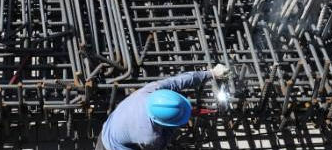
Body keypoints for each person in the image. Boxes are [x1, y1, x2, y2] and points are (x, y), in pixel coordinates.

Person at [97, 64, 231, 150]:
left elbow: (180, 81)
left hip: (111, 125)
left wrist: (211, 73)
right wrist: (177, 124)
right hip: (112, 146)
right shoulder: (149, 136)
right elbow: (164, 141)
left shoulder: (151, 90)